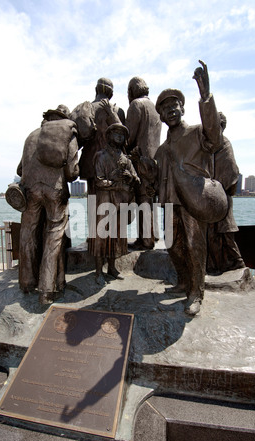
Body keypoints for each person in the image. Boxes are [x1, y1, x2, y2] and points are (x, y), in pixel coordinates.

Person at [155, 61, 223, 315]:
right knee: (172, 245)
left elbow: (214, 137)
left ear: (182, 108)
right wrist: (145, 166)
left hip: (195, 200)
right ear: (160, 116)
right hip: (172, 203)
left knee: (195, 246)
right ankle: (184, 281)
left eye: (174, 105)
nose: (170, 110)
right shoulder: (162, 149)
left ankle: (197, 292)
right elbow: (156, 177)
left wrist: (206, 97)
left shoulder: (196, 134)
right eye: (165, 108)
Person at [17, 105, 79, 304]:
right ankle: (47, 290)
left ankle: (26, 282)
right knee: (53, 238)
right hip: (55, 191)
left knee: (27, 234)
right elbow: (71, 173)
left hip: (30, 190)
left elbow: (20, 169)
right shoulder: (67, 134)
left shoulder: (31, 136)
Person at [88, 123, 140, 285]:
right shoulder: (100, 156)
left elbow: (137, 179)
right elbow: (98, 181)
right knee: (101, 236)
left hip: (120, 203)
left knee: (116, 236)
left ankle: (112, 268)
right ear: (109, 136)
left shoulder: (126, 159)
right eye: (115, 133)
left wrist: (130, 177)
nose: (119, 136)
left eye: (122, 134)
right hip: (104, 201)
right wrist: (114, 180)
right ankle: (98, 271)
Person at [125, 76, 162, 250]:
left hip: (140, 161)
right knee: (150, 198)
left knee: (143, 200)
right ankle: (153, 235)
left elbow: (129, 136)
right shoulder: (155, 107)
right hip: (155, 161)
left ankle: (145, 240)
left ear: (131, 91)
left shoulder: (136, 105)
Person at [207, 112, 245, 273]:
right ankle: (216, 264)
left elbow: (231, 171)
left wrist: (217, 186)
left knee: (225, 234)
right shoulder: (212, 144)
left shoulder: (224, 144)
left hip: (222, 196)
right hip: (212, 197)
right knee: (213, 234)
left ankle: (236, 262)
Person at [78, 78, 125, 195]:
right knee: (113, 201)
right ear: (112, 94)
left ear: (96, 90)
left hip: (91, 163)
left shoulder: (87, 109)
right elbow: (125, 139)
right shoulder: (119, 111)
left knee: (93, 202)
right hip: (114, 163)